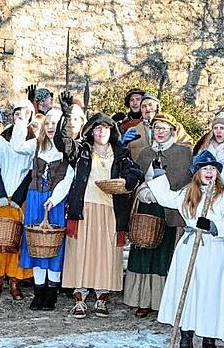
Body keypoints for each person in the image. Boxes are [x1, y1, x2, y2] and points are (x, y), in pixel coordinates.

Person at [55, 92, 144, 319]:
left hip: (110, 210)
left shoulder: (121, 154)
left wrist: (126, 181)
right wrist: (66, 116)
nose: (101, 131)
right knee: (81, 253)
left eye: (105, 127)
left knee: (105, 254)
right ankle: (80, 298)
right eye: (97, 128)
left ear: (111, 131)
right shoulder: (82, 151)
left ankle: (102, 298)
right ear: (91, 131)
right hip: (83, 209)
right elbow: (63, 143)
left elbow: (135, 173)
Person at [148, 150, 224, 348]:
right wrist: (159, 174)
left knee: (211, 292)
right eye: (204, 168)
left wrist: (213, 226)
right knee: (187, 291)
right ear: (197, 172)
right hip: (189, 248)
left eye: (213, 168)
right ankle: (186, 338)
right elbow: (165, 198)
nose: (209, 172)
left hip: (213, 251)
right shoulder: (187, 193)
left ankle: (209, 339)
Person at [124, 113, 191, 318]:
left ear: (172, 130)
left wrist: (175, 195)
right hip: (148, 210)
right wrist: (143, 190)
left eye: (164, 128)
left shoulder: (184, 153)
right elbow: (134, 179)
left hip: (170, 211)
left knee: (165, 255)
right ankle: (143, 300)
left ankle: (164, 301)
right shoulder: (144, 153)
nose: (160, 132)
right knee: (144, 253)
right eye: (157, 128)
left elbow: (189, 181)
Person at [11, 107, 74, 310]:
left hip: (55, 200)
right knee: (35, 243)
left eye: (54, 123)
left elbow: (68, 178)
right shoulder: (37, 145)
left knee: (52, 246)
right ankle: (38, 293)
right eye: (47, 123)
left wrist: (55, 199)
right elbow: (17, 146)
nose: (50, 127)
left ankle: (51, 294)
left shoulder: (68, 150)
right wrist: (21, 121)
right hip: (35, 197)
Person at [0, 101, 34, 301]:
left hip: (19, 199)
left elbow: (32, 171)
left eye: (24, 114)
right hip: (1, 199)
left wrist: (18, 197)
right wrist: (1, 194)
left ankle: (14, 280)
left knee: (17, 242)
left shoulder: (33, 142)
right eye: (16, 114)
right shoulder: (2, 140)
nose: (19, 117)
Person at [125, 93, 193, 161]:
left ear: (158, 107)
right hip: (140, 169)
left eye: (150, 105)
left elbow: (188, 146)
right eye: (143, 106)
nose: (147, 108)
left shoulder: (175, 127)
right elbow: (124, 153)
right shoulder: (134, 130)